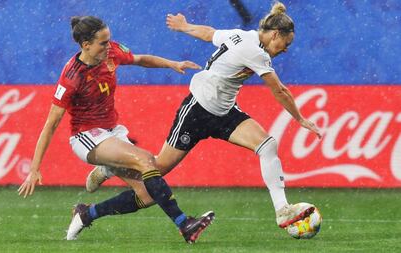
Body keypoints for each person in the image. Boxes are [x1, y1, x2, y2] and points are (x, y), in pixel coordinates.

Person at [86, 1, 321, 232]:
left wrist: (185, 26)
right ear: (275, 34)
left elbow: (210, 34)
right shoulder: (255, 52)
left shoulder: (242, 35)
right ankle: (110, 168)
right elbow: (279, 90)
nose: (286, 48)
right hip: (197, 110)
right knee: (157, 168)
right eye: (285, 43)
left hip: (224, 111)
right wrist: (300, 119)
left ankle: (282, 210)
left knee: (267, 145)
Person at [17, 15, 215, 243]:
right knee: (145, 160)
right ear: (86, 45)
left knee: (147, 194)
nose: (108, 46)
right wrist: (34, 169)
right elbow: (51, 124)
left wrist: (171, 63)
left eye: (108, 40)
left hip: (113, 131)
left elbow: (140, 59)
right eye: (102, 42)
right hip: (87, 137)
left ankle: (87, 213)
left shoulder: (110, 52)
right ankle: (184, 224)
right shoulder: (72, 76)